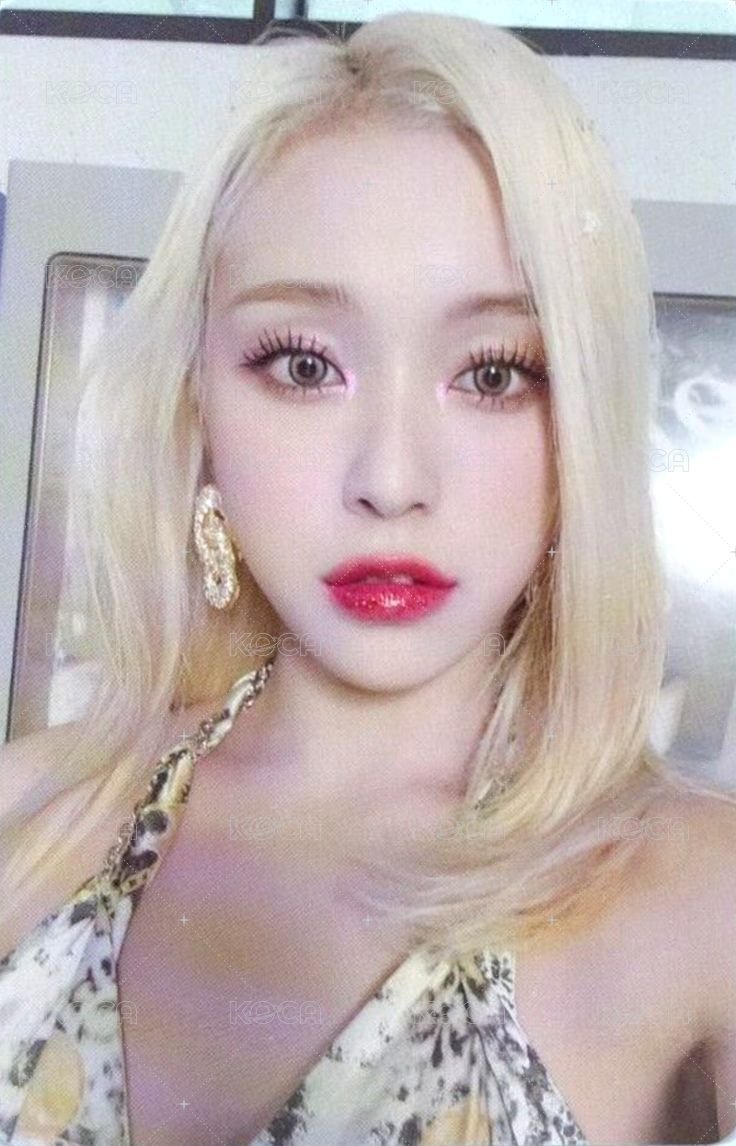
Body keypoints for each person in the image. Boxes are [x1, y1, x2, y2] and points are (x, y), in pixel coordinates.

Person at [1, 10, 735, 1145]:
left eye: (493, 374)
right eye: (304, 365)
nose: (392, 481)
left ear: (581, 422)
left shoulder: (701, 899)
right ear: (199, 409)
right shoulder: (31, 813)